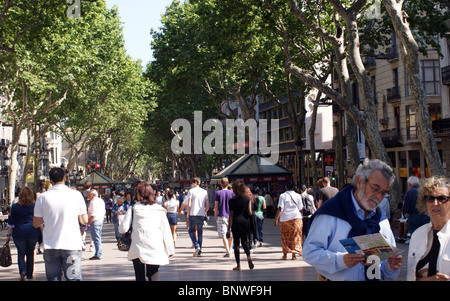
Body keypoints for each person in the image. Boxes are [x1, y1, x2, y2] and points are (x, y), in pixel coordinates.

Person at [303, 158, 403, 281]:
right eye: (375, 189)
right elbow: (310, 252)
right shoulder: (332, 212)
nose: (378, 197)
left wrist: (391, 266)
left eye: (383, 193)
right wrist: (340, 260)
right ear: (360, 182)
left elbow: (385, 270)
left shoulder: (381, 221)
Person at [33, 167, 88, 281]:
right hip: (72, 244)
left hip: (51, 245)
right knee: (73, 279)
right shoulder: (76, 195)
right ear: (64, 178)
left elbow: (36, 223)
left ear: (50, 180)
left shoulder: (42, 198)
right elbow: (84, 220)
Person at [119, 182, 174, 281]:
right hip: (155, 247)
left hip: (137, 249)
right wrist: (170, 249)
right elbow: (166, 231)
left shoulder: (133, 209)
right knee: (153, 274)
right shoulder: (159, 210)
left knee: (139, 276)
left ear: (140, 194)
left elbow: (123, 229)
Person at [407, 176, 450, 281]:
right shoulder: (417, 235)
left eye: (442, 198)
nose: (435, 203)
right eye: (430, 198)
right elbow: (410, 277)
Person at [7, 187, 40, 280]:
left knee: (21, 253)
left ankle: (22, 271)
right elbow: (38, 220)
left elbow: (11, 223)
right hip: (32, 232)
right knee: (30, 254)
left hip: (19, 233)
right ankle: (29, 274)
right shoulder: (35, 206)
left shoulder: (15, 207)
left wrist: (8, 235)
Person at [227, 181, 254, 270]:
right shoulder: (247, 199)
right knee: (244, 241)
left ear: (234, 190)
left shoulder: (231, 201)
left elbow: (230, 216)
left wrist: (228, 229)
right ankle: (248, 257)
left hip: (236, 222)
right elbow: (250, 212)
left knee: (236, 245)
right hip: (245, 222)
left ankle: (238, 265)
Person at [274, 181, 303, 260]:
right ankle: (294, 254)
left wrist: (276, 219)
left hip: (285, 219)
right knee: (296, 236)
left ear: (286, 187)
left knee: (285, 236)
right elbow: (300, 208)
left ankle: (285, 254)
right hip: (296, 218)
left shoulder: (283, 196)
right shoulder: (298, 196)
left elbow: (280, 208)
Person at [186, 177, 209, 257]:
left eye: (191, 183)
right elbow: (208, 205)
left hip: (193, 214)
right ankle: (199, 251)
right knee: (200, 233)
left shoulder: (191, 191)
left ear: (195, 183)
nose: (191, 185)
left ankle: (196, 246)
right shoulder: (204, 192)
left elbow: (189, 204)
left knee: (191, 231)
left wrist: (188, 213)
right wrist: (204, 211)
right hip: (201, 215)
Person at [214, 177, 234, 257]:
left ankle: (228, 251)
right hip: (231, 215)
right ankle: (229, 249)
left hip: (221, 215)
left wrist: (216, 216)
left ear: (221, 184)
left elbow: (216, 206)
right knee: (231, 234)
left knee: (223, 234)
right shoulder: (232, 193)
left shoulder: (218, 193)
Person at [87, 189, 105, 260]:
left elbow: (93, 214)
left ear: (93, 195)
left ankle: (98, 254)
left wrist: (88, 222)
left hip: (95, 221)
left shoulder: (93, 202)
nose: (88, 196)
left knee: (96, 238)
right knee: (98, 237)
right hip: (100, 221)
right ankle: (98, 253)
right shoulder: (101, 201)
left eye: (89, 195)